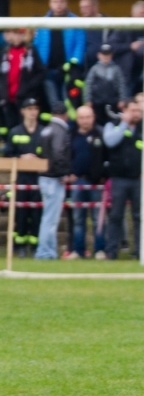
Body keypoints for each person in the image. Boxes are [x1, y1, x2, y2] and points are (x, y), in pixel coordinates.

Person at [103, 99, 143, 260]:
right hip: (118, 179)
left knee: (140, 216)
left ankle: (141, 251)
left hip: (138, 180)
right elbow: (110, 141)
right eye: (132, 110)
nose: (136, 114)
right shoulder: (113, 124)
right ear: (125, 111)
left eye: (138, 111)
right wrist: (124, 125)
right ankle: (112, 250)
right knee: (115, 216)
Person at [4, 98, 44, 257]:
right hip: (20, 178)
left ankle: (34, 245)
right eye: (29, 109)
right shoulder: (15, 132)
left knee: (36, 213)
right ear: (22, 111)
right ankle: (19, 246)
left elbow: (48, 154)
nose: (32, 112)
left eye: (35, 108)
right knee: (20, 213)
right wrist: (22, 157)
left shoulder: (43, 132)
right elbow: (8, 153)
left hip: (38, 178)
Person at [67, 105, 107, 259]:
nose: (85, 120)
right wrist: (70, 173)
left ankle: (99, 250)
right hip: (78, 182)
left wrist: (103, 175)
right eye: (81, 117)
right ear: (77, 119)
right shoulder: (71, 135)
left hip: (97, 183)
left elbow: (107, 157)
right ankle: (78, 250)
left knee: (99, 218)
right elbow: (67, 156)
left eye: (88, 117)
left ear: (93, 117)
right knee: (78, 219)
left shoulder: (101, 134)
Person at [32, 0, 86, 113]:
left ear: (67, 3)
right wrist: (40, 65)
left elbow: (80, 43)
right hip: (47, 70)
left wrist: (73, 64)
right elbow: (37, 45)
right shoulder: (42, 22)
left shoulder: (76, 21)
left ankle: (70, 126)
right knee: (51, 102)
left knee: (69, 101)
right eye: (56, 2)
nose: (59, 5)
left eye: (62, 2)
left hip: (68, 70)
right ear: (50, 3)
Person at [34, 101, 71, 260]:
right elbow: (58, 153)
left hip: (44, 176)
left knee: (48, 217)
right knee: (51, 218)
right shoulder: (60, 130)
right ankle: (45, 252)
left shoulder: (45, 130)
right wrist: (63, 173)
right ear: (65, 115)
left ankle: (48, 251)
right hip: (53, 178)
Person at [0, 29, 46, 133]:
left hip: (25, 98)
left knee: (25, 127)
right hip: (7, 98)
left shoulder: (30, 50)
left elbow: (41, 72)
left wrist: (29, 87)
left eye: (20, 34)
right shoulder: (5, 51)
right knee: (10, 126)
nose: (17, 37)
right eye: (15, 33)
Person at [106, 1, 144, 98]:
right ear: (133, 14)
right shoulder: (123, 28)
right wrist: (129, 46)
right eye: (142, 13)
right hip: (127, 74)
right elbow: (111, 46)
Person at [83, 43, 128, 126]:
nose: (106, 57)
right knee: (97, 122)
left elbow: (121, 84)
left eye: (108, 55)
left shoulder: (116, 69)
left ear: (111, 55)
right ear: (99, 55)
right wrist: (87, 100)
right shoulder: (94, 69)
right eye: (103, 54)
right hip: (97, 102)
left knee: (113, 121)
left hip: (112, 102)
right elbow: (88, 84)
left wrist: (122, 99)